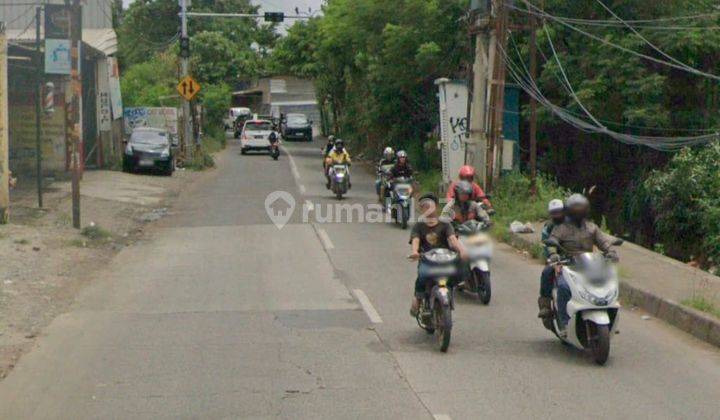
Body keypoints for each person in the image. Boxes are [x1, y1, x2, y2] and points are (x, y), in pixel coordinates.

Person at [547, 194, 618, 335]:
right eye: (575, 212)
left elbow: (603, 242)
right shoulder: (561, 228)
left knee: (607, 284)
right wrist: (553, 254)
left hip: (589, 264)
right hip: (568, 265)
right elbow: (552, 242)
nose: (578, 215)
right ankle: (563, 322)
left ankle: (609, 316)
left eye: (581, 211)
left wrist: (611, 251)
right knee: (563, 287)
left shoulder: (592, 228)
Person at [408, 194, 467, 317]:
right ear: (421, 209)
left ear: (436, 207)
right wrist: (415, 251)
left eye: (430, 206)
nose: (428, 209)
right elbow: (416, 240)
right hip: (427, 261)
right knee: (422, 276)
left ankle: (450, 292)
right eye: (424, 206)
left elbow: (453, 240)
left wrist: (462, 251)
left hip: (445, 260)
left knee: (458, 273)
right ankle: (418, 299)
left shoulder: (445, 224)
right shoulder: (419, 225)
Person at [537, 199, 565, 318]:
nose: (557, 214)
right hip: (557, 258)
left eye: (559, 211)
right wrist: (553, 254)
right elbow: (547, 243)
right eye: (554, 212)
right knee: (547, 272)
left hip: (576, 256)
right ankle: (545, 306)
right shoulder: (548, 227)